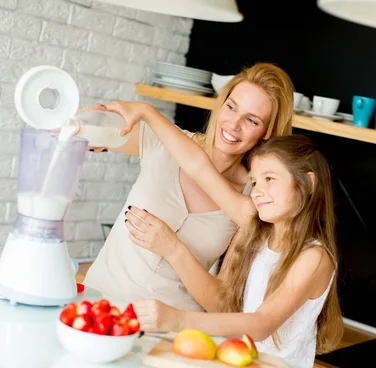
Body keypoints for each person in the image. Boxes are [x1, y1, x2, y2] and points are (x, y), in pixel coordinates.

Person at [101, 100, 343, 368]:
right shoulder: (257, 228)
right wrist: (147, 112)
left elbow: (262, 323)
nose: (258, 190)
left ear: (308, 184)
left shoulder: (314, 257)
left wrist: (178, 319)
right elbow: (199, 166)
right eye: (256, 180)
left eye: (270, 179)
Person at [82, 63, 295, 311]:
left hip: (173, 330)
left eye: (251, 120)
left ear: (267, 133)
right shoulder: (161, 141)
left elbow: (221, 304)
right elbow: (82, 127)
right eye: (231, 107)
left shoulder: (254, 200)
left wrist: (174, 250)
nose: (233, 125)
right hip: (98, 307)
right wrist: (85, 127)